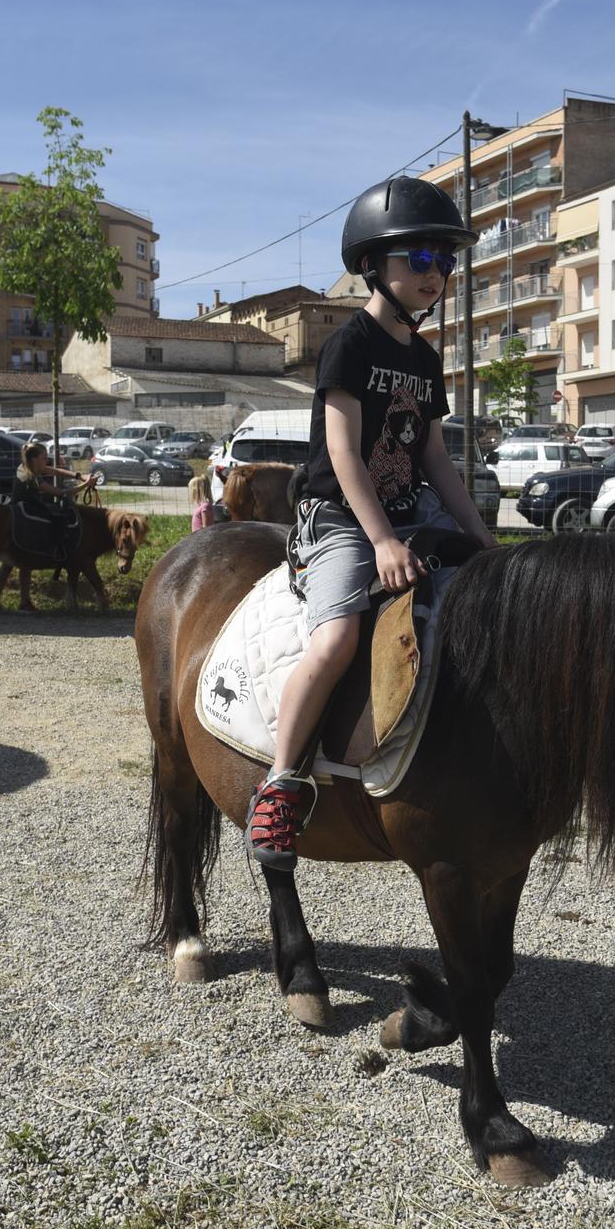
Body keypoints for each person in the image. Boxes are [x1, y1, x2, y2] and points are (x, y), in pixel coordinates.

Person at [245, 177, 499, 869]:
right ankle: (281, 782)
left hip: (407, 509)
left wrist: (480, 535)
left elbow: (437, 460)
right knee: (336, 638)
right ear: (372, 265)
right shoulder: (349, 346)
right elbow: (340, 450)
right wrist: (382, 540)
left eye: (446, 262)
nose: (437, 274)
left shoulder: (424, 357)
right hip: (340, 517)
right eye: (420, 258)